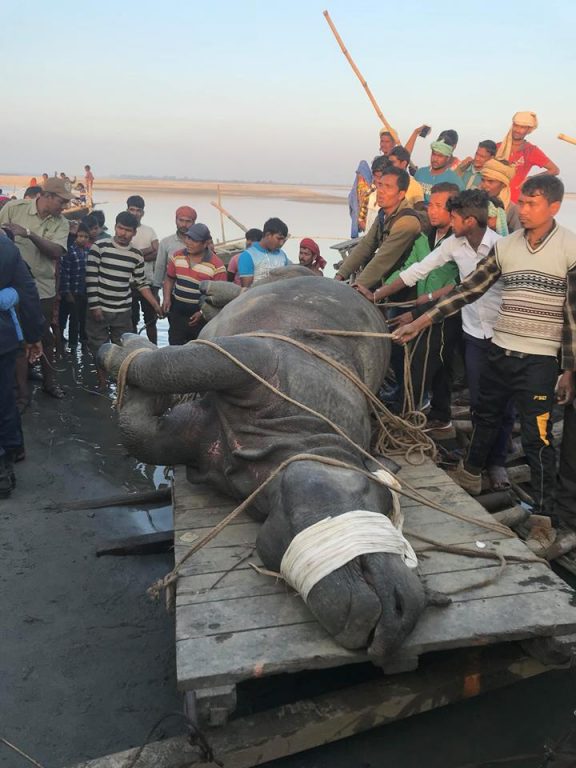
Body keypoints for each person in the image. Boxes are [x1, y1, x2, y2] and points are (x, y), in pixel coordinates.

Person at [393, 176, 576, 551]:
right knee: (484, 415)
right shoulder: (506, 247)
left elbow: (572, 316)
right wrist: (420, 322)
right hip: (500, 349)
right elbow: (469, 290)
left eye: (532, 203)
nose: (523, 209)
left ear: (554, 206)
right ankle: (471, 474)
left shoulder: (570, 248)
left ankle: (543, 520)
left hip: (541, 360)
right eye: (522, 201)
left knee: (538, 438)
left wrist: (569, 370)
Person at [375, 190, 515, 488]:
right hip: (474, 333)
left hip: (505, 335)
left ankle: (497, 462)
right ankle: (477, 458)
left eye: (453, 217)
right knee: (478, 401)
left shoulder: (501, 247)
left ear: (470, 221)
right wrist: (376, 295)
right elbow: (417, 270)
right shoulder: (454, 244)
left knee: (504, 402)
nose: (450, 222)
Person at [356, 182, 461, 434]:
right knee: (426, 360)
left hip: (448, 309)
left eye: (438, 206)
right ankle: (432, 412)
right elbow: (410, 270)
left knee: (426, 362)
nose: (431, 210)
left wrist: (430, 296)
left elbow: (460, 282)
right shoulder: (425, 238)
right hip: (423, 305)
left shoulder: (459, 241)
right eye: (430, 205)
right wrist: (377, 294)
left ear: (453, 210)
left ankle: (410, 414)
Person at [0, 177, 71, 398]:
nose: (65, 206)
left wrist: (29, 234)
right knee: (16, 337)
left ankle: (49, 383)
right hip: (12, 289)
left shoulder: (62, 223)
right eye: (62, 201)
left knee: (44, 336)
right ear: (47, 196)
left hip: (42, 288)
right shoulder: (14, 208)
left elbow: (57, 252)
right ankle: (20, 390)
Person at [86, 211, 162, 388]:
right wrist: (95, 306)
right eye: (120, 228)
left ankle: (120, 383)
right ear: (115, 227)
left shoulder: (136, 255)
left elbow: (141, 283)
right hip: (99, 307)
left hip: (123, 310)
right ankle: (102, 384)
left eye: (128, 230)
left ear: (134, 232)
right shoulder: (99, 247)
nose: (123, 233)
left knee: (123, 347)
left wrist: (155, 305)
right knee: (98, 346)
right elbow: (91, 278)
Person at [0, 232, 44, 497]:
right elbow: (27, 290)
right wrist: (33, 334)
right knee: (4, 398)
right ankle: (10, 454)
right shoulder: (6, 247)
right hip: (3, 339)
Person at [336, 166, 421, 289]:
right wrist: (340, 275)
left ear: (401, 194)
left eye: (388, 187)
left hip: (407, 285)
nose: (381, 191)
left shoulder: (406, 222)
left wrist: (355, 288)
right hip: (388, 279)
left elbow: (383, 260)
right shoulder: (384, 214)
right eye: (380, 185)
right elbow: (366, 245)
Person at [161, 223, 226, 345]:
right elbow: (169, 279)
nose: (188, 242)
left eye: (194, 240)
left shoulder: (217, 266)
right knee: (174, 348)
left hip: (200, 317)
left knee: (198, 349)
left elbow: (220, 297)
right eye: (188, 238)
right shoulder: (177, 256)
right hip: (177, 312)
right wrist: (166, 298)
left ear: (205, 243)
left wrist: (202, 313)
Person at [496, 111, 559, 203]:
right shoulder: (498, 147)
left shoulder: (531, 150)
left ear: (529, 130)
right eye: (516, 125)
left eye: (522, 127)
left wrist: (531, 178)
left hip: (514, 201)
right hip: (493, 199)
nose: (517, 130)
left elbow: (555, 170)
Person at [125, 196, 159, 343]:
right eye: (132, 209)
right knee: (131, 320)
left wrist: (135, 256)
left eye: (138, 210)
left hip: (148, 281)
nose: (135, 213)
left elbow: (157, 252)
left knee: (151, 320)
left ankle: (154, 348)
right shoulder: (124, 231)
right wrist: (148, 250)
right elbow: (125, 254)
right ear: (127, 210)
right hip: (128, 283)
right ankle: (133, 348)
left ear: (142, 213)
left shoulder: (149, 231)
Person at [59, 222, 89, 348]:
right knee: (72, 320)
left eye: (86, 237)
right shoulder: (70, 251)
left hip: (83, 292)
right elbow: (65, 273)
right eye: (80, 236)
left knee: (82, 319)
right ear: (76, 236)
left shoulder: (87, 251)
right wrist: (67, 292)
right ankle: (71, 345)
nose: (83, 239)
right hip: (72, 292)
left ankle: (82, 342)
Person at [153, 206, 197, 289]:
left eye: (188, 221)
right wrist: (156, 288)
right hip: (171, 291)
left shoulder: (199, 243)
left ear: (194, 222)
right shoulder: (166, 242)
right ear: (175, 220)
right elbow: (160, 267)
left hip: (196, 291)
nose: (184, 224)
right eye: (181, 220)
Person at [237, 218, 290, 287]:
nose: (281, 243)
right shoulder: (248, 256)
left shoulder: (282, 255)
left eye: (283, 240)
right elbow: (246, 289)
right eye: (279, 238)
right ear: (268, 235)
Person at [479, 158, 521, 232]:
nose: (484, 185)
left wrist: (498, 227)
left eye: (490, 181)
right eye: (483, 180)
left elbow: (516, 236)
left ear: (503, 184)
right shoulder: (472, 201)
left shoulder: (513, 210)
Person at [349, 161, 373, 237]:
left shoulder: (370, 186)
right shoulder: (357, 184)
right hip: (360, 210)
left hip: (367, 210)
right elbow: (353, 197)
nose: (359, 175)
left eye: (360, 173)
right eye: (358, 173)